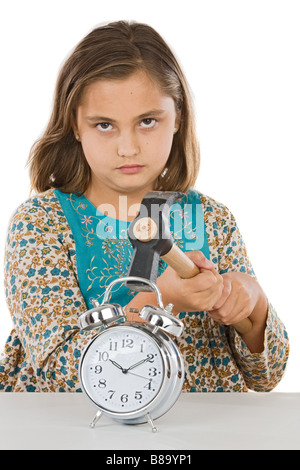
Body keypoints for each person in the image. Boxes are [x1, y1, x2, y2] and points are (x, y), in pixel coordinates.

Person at [0, 20, 289, 393]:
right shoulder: (41, 223)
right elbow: (60, 369)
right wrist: (160, 299)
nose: (128, 148)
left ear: (177, 118)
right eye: (104, 125)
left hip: (196, 436)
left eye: (148, 121)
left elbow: (265, 375)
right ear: (75, 123)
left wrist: (253, 303)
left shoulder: (212, 220)